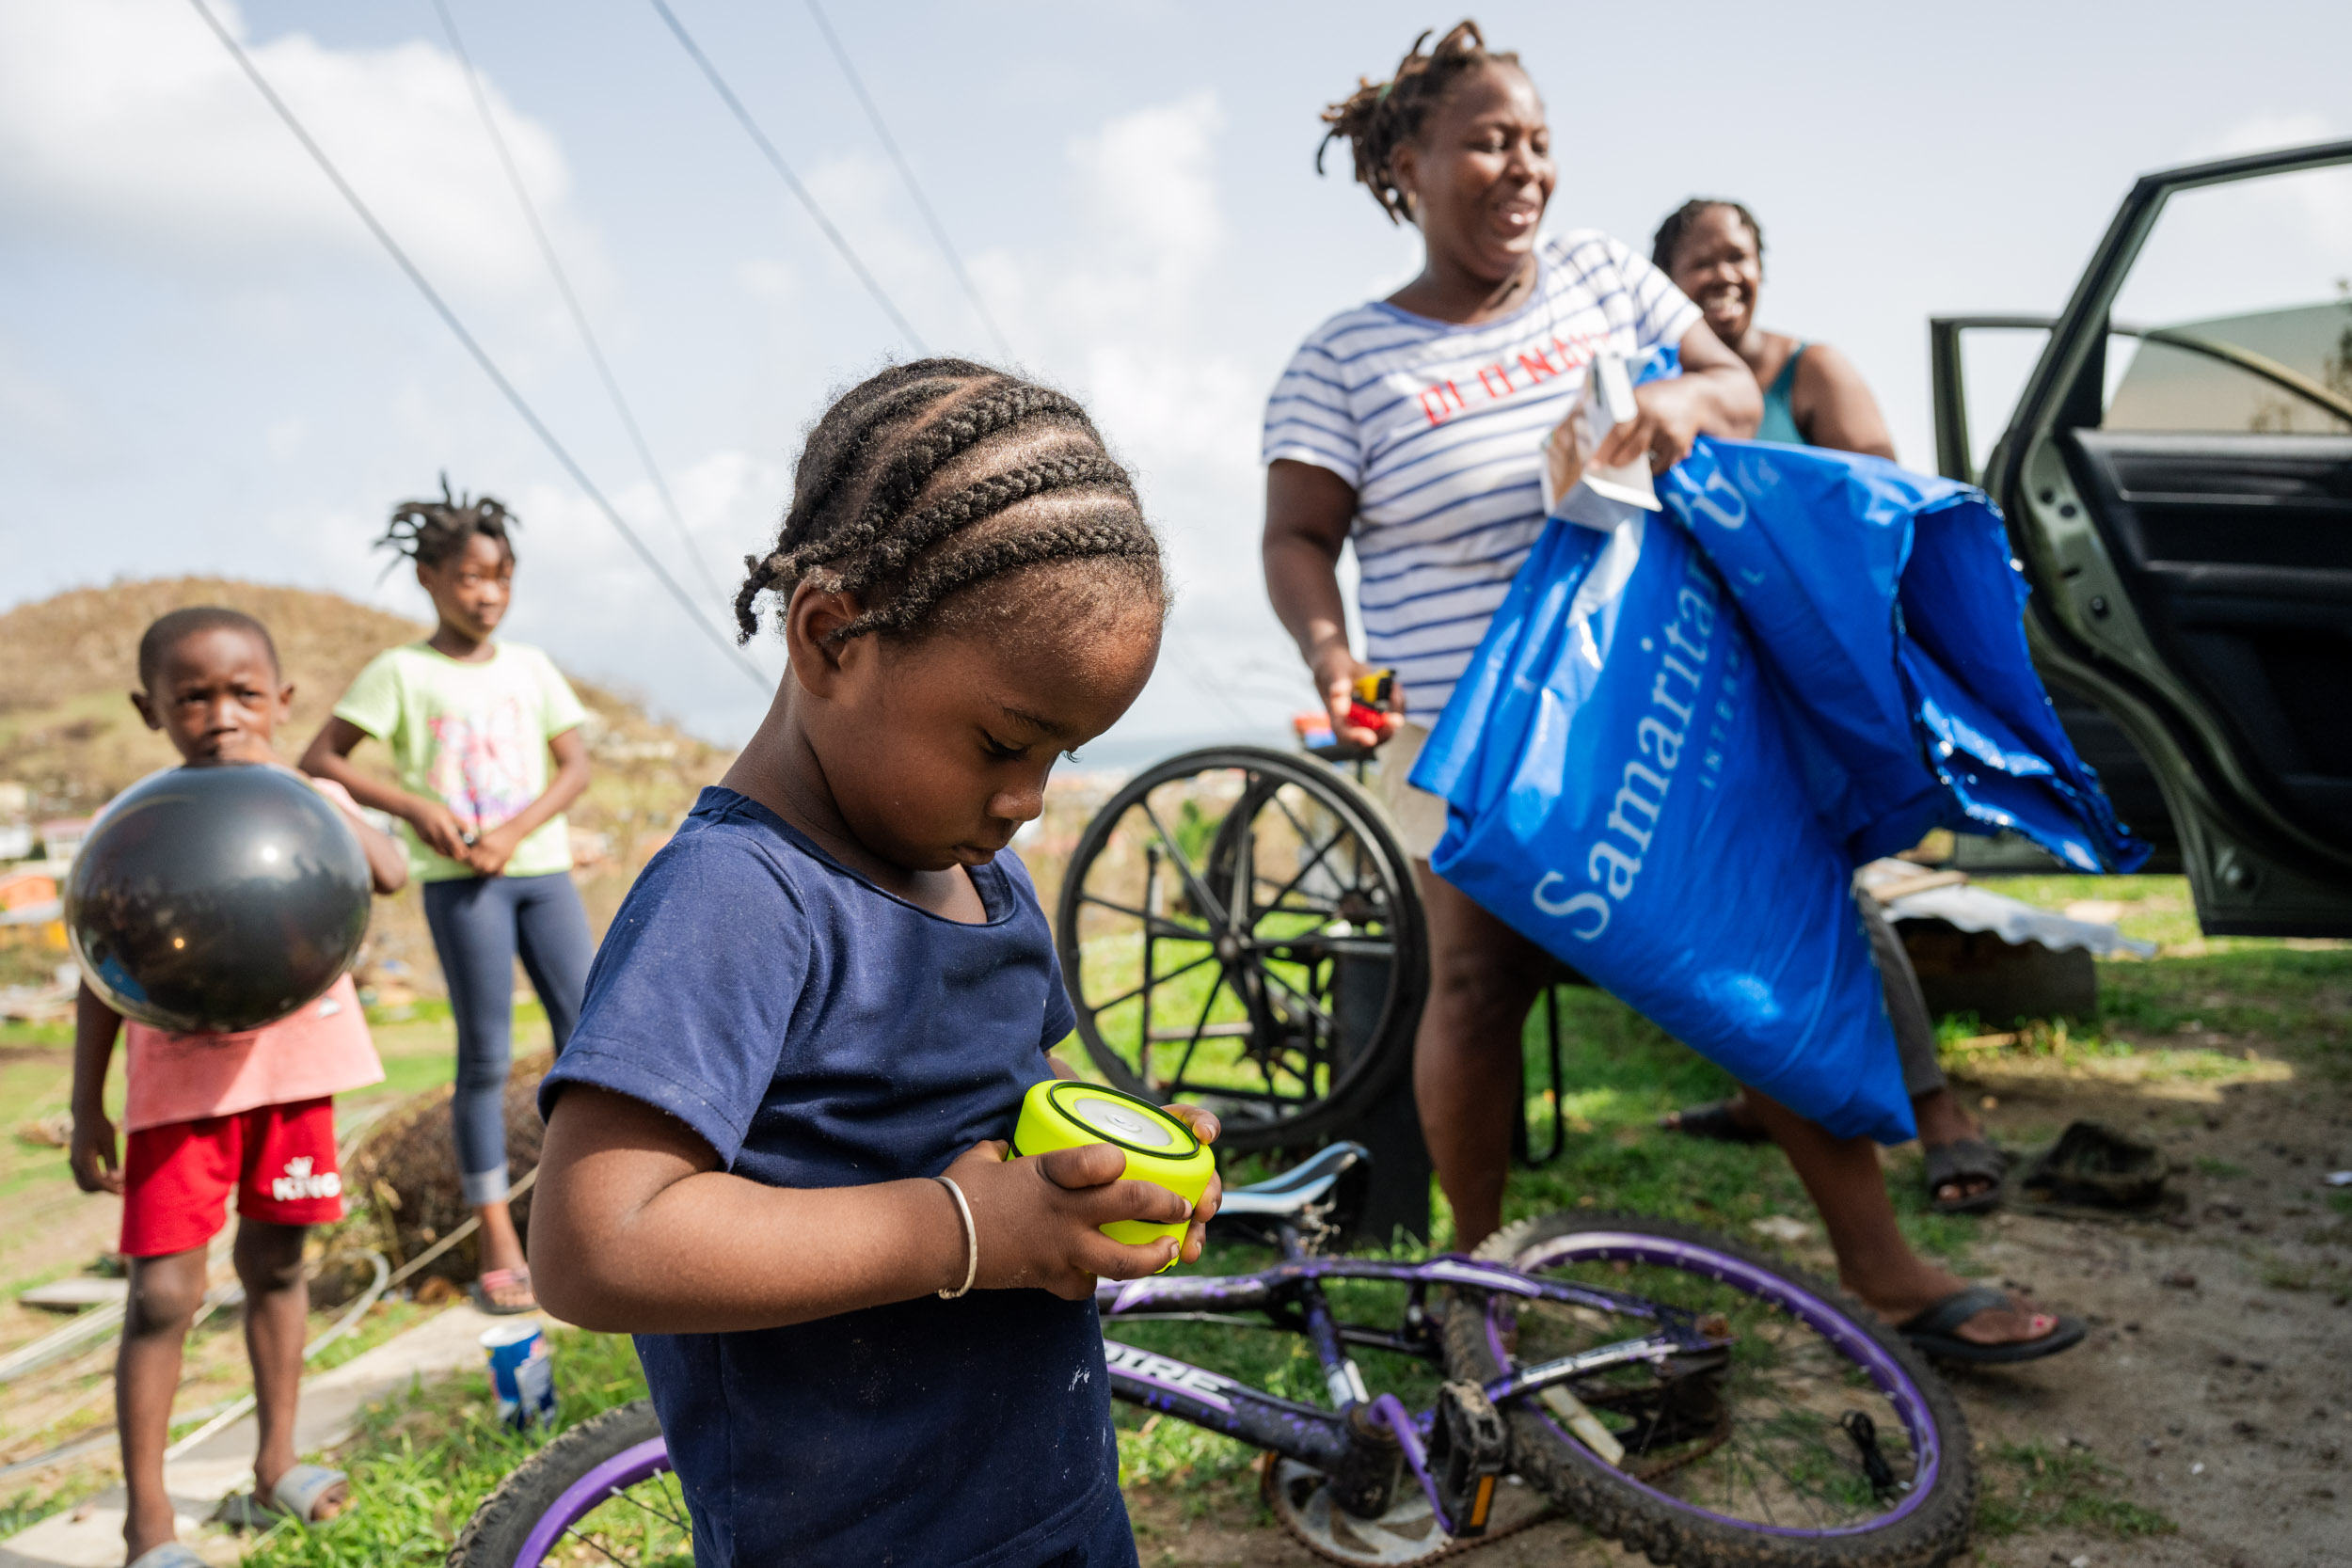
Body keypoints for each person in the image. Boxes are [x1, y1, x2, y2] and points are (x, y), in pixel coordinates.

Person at [1262, 22, 2075, 1363]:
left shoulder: (1596, 274)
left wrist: (1683, 407)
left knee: (1741, 955)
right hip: (1464, 732)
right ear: (1408, 164)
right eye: (1488, 142)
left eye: (1537, 141)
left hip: (1646, 707)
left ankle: (1885, 1264)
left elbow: (1728, 387)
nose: (1524, 169)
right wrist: (1334, 657)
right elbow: (1298, 536)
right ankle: (1477, 1273)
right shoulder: (1344, 358)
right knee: (1472, 992)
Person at [527, 361, 1216, 1567]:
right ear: (830, 636)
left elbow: (1014, 1111)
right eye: (1005, 741)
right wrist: (961, 1230)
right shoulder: (736, 899)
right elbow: (596, 1241)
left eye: (1063, 754)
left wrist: (1095, 1181)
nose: (1027, 801)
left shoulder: (983, 876)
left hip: (1054, 1511)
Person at [1651, 197, 2009, 1215]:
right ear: (1661, 281)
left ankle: (1937, 1111)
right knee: (1728, 889)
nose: (1724, 275)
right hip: (1703, 685)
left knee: (1824, 883)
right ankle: (1772, 1090)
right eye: (1698, 262)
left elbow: (1876, 519)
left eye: (1739, 256)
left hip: (1800, 680)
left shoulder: (1811, 371)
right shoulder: (1655, 387)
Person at [70, 608, 407, 1568]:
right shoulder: (140, 824)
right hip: (178, 1093)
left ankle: (275, 1462)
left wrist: (320, 790)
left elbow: (385, 870)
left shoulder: (303, 797)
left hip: (295, 1083)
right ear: (151, 709)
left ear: (282, 699)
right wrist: (89, 1100)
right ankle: (149, 1524)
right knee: (164, 1296)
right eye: (193, 697)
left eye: (244, 694)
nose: (222, 716)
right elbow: (103, 959)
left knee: (280, 1267)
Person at [299, 483, 592, 1315]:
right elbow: (325, 757)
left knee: (588, 1036)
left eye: (500, 576)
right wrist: (416, 808)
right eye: (468, 577)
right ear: (429, 578)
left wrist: (515, 830)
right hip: (463, 887)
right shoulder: (400, 672)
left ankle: (585, 1207)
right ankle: (500, 1238)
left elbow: (574, 766)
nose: (487, 593)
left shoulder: (531, 668)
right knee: (486, 1061)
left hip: (539, 873)